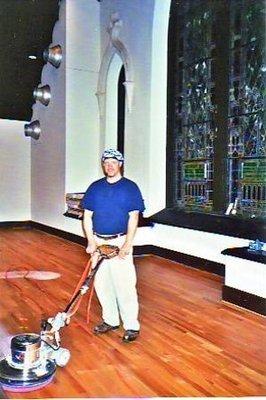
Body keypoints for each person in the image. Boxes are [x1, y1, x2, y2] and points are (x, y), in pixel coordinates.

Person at [81, 149, 145, 342]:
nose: (110, 166)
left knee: (124, 285)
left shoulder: (130, 188)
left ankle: (131, 326)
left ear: (120, 164)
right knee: (102, 284)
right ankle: (110, 320)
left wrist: (127, 243)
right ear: (103, 165)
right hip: (99, 242)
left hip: (119, 242)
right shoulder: (95, 188)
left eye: (113, 162)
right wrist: (91, 242)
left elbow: (134, 217)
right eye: (106, 162)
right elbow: (87, 217)